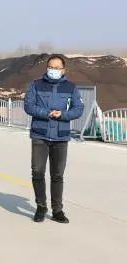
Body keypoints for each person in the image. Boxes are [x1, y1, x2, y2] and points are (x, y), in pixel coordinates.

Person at [24, 54, 84, 224]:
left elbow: (78, 109)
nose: (54, 70)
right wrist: (46, 113)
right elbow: (28, 106)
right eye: (51, 67)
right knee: (37, 172)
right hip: (40, 135)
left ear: (63, 70)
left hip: (60, 136)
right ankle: (41, 206)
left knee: (57, 175)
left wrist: (62, 114)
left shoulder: (71, 87)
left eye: (57, 68)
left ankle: (57, 210)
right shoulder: (36, 85)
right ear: (47, 68)